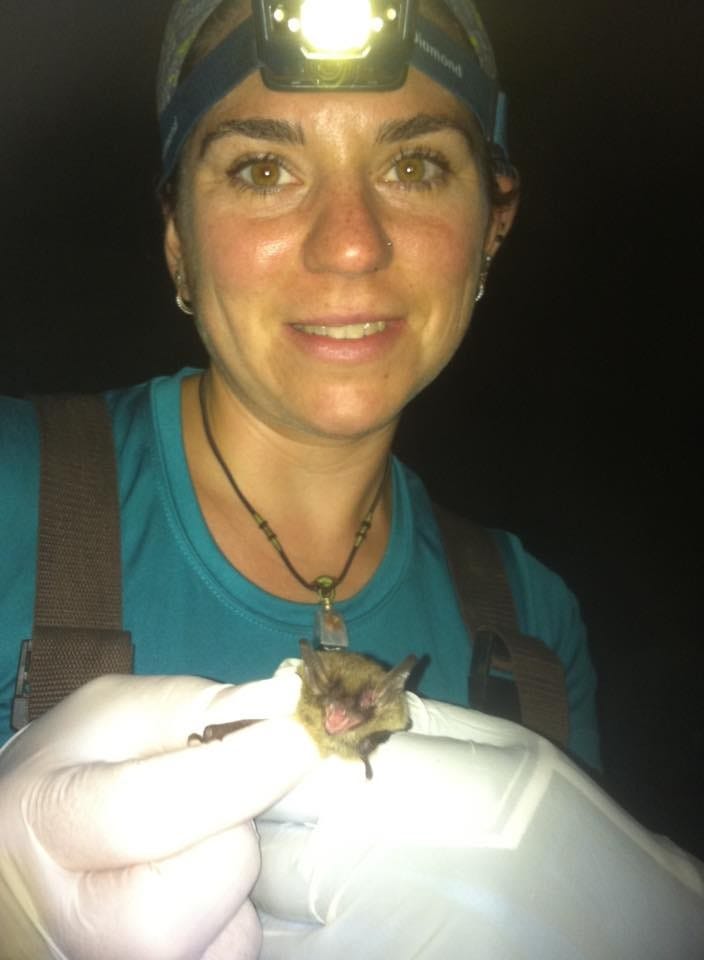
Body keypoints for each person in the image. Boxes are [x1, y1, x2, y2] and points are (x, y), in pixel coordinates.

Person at [5, 1, 670, 956]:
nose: (351, 243)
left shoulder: (533, 628)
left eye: (414, 165)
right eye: (264, 169)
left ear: (492, 224)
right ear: (177, 239)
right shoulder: (12, 499)